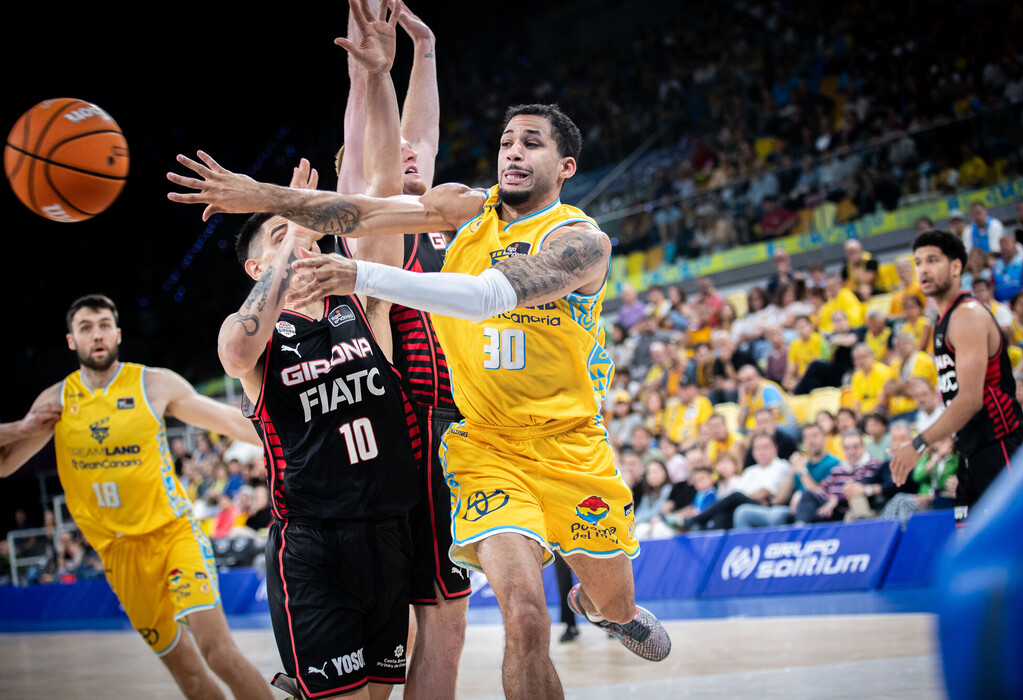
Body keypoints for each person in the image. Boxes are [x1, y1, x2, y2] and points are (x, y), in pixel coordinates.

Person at [168, 98, 672, 697]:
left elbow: (485, 296)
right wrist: (261, 194)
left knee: (615, 603)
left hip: (571, 446)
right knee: (525, 617)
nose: (513, 151)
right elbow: (361, 211)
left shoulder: (582, 243)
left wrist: (361, 276)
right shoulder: (461, 208)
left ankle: (601, 606)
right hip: (486, 447)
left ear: (565, 166)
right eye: (507, 141)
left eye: (531, 143)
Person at [221, 6, 421, 697]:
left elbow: (383, 191)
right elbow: (233, 350)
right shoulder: (253, 336)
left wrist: (378, 77)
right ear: (256, 267)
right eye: (278, 236)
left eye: (303, 228)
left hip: (389, 533)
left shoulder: (361, 301)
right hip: (312, 544)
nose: (300, 236)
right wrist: (292, 234)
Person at [0, 294, 272, 700]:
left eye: (104, 325)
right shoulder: (56, 401)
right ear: (71, 340)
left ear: (118, 334)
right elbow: (4, 464)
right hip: (118, 554)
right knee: (190, 677)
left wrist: (292, 436)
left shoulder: (153, 384)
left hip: (173, 535)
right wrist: (20, 429)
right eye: (86, 327)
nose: (97, 335)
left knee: (219, 654)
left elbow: (231, 421)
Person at [332, 4, 470, 696]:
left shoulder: (429, 220)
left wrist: (427, 50)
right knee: (427, 625)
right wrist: (370, 76)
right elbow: (374, 157)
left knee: (428, 629)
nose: (409, 151)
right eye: (394, 147)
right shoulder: (373, 224)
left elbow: (421, 136)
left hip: (449, 428)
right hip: (410, 427)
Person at [891, 230, 1023, 521]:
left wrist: (918, 443)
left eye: (933, 260)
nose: (923, 269)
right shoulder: (940, 323)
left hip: (1001, 444)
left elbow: (970, 400)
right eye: (918, 262)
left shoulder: (967, 314)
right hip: (971, 452)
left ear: (956, 266)